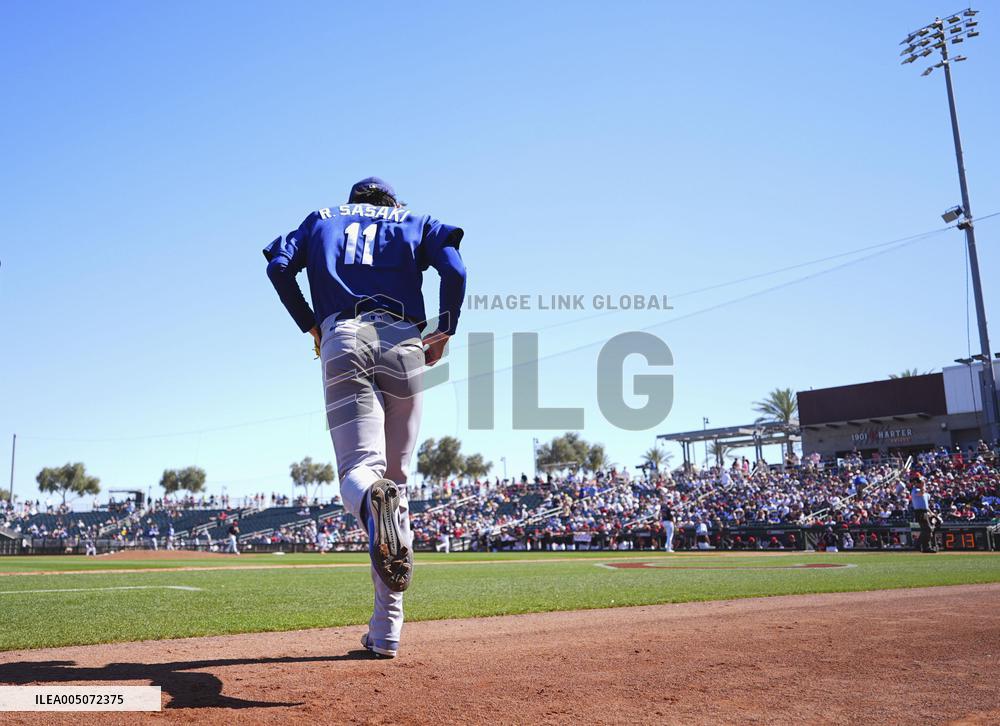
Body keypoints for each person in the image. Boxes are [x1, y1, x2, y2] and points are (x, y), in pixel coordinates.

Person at [264, 177, 467, 660]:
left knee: (360, 473)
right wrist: (446, 328)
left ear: (353, 201)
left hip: (346, 334)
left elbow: (278, 268)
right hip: (405, 340)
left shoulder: (321, 218)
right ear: (391, 202)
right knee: (395, 484)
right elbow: (454, 269)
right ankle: (386, 632)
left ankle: (372, 506)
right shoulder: (415, 218)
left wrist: (309, 322)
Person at [910, 476, 936, 553]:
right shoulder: (915, 490)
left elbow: (926, 505)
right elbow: (921, 493)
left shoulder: (925, 493)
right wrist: (923, 485)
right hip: (919, 512)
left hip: (925, 511)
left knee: (927, 530)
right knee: (927, 529)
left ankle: (925, 547)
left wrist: (931, 513)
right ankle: (919, 545)